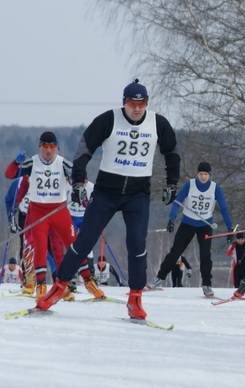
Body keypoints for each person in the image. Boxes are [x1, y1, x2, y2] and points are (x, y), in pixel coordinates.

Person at [34, 79, 180, 320]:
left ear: (146, 104)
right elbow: (84, 149)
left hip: (137, 193)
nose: (136, 108)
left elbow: (172, 152)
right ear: (124, 103)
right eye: (132, 103)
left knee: (136, 243)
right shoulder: (109, 119)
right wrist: (79, 182)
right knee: (84, 241)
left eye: (141, 103)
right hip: (107, 191)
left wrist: (172, 182)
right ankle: (58, 287)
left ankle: (135, 299)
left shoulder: (157, 123)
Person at [4, 131, 100, 300]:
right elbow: (10, 174)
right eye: (45, 147)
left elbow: (80, 176)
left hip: (58, 211)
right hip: (37, 212)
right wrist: (15, 162)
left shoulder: (62, 163)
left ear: (57, 148)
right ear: (40, 147)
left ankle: (88, 280)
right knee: (40, 248)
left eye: (52, 147)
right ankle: (40, 286)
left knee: (73, 245)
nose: (48, 151)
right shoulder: (31, 163)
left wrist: (79, 188)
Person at [153, 161, 233, 297]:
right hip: (188, 223)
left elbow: (224, 208)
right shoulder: (189, 185)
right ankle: (159, 278)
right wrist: (171, 219)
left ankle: (207, 285)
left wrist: (230, 229)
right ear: (197, 174)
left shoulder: (215, 188)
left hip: (205, 225)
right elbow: (177, 202)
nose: (203, 177)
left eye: (206, 174)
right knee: (175, 252)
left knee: (205, 256)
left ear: (209, 175)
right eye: (201, 174)